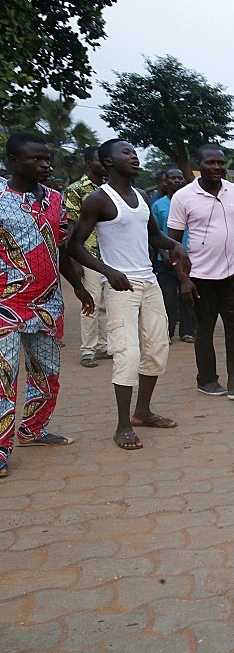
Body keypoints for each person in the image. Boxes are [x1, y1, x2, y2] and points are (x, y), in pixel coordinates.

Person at [69, 139, 191, 450]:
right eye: (126, 153)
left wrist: (174, 245)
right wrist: (108, 271)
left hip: (149, 282)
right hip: (120, 286)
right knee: (127, 353)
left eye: (135, 153)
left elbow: (153, 234)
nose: (134, 157)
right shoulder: (99, 200)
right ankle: (123, 425)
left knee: (157, 348)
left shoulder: (141, 195)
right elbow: (74, 246)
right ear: (107, 162)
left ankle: (143, 412)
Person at [0, 132, 95, 477]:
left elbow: (62, 249)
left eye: (46, 158)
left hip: (47, 303)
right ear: (13, 161)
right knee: (3, 378)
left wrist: (80, 288)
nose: (45, 165)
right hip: (5, 304)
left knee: (47, 374)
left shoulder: (55, 200)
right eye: (35, 159)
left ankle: (32, 429)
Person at [167, 144, 234, 401]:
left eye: (220, 163)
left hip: (231, 275)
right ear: (199, 166)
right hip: (199, 278)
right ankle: (207, 380)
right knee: (205, 329)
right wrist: (184, 279)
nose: (217, 167)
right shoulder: (183, 197)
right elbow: (173, 244)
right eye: (210, 163)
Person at [63, 145, 110, 367]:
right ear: (89, 163)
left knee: (107, 304)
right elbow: (70, 225)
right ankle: (88, 350)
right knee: (90, 301)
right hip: (88, 254)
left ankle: (103, 346)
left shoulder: (112, 187)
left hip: (111, 254)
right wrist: (74, 259)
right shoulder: (76, 189)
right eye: (99, 160)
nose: (104, 164)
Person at [151, 167, 196, 343]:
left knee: (189, 296)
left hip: (189, 258)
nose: (177, 181)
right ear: (166, 181)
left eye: (180, 178)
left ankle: (188, 331)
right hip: (166, 261)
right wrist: (164, 253)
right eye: (172, 178)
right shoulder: (158, 205)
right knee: (168, 298)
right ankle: (167, 333)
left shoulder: (190, 202)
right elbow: (155, 233)